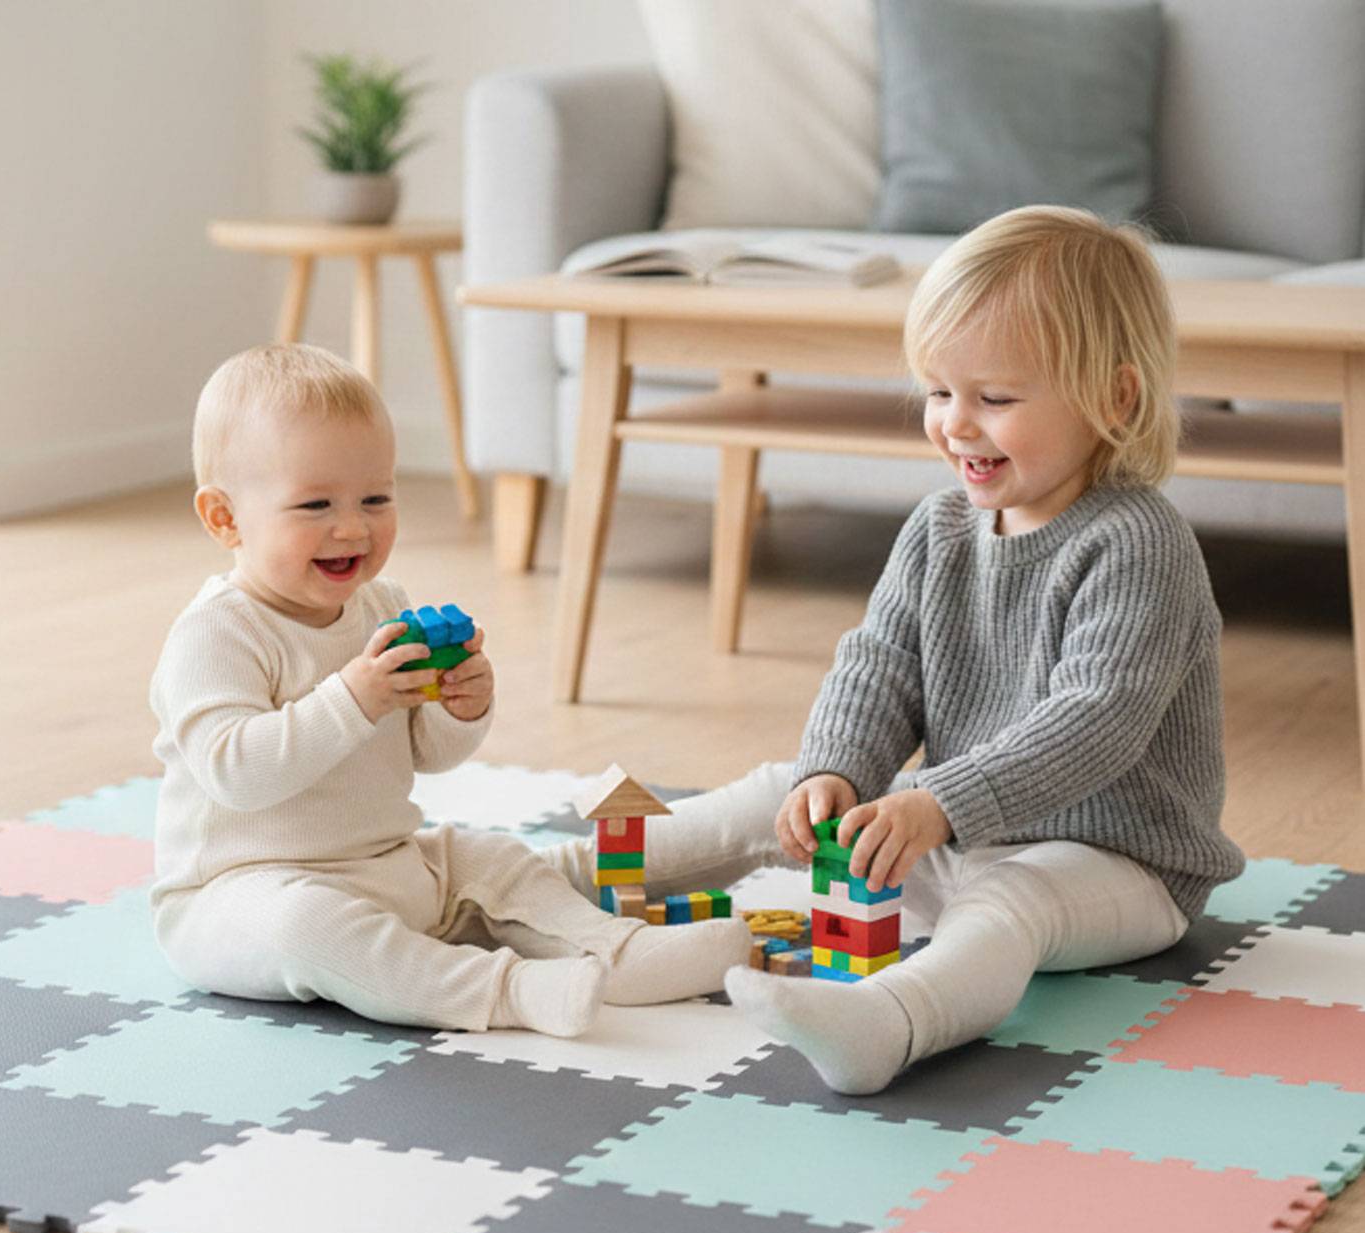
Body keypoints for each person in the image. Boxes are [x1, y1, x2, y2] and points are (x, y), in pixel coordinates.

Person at [544, 205, 1245, 1093]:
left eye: (995, 398)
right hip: (950, 830)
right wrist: (834, 771)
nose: (956, 423)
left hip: (1119, 865)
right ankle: (556, 878)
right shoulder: (939, 525)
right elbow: (880, 662)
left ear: (1115, 400)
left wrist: (940, 803)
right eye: (938, 392)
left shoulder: (1138, 541)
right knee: (780, 788)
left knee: (1011, 902)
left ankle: (893, 1022)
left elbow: (1095, 721)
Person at [149, 343, 750, 1037]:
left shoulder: (383, 607)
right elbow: (237, 774)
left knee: (492, 858)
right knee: (310, 927)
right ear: (224, 519)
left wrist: (463, 706)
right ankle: (510, 992)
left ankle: (617, 953)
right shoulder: (215, 635)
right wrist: (355, 697)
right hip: (241, 897)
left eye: (376, 497)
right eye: (315, 504)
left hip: (387, 864)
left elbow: (426, 754)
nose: (354, 526)